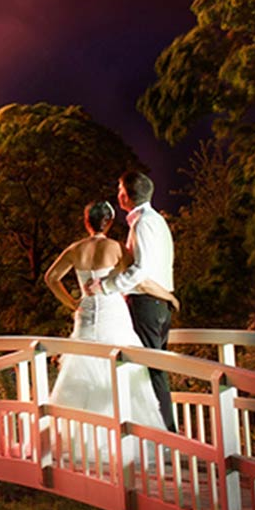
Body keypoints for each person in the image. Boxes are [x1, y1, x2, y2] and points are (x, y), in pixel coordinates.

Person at [48, 200, 176, 467]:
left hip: (85, 315)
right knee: (125, 371)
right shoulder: (116, 248)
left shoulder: (75, 250)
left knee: (81, 371)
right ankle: (123, 441)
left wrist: (71, 303)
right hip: (113, 315)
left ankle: (81, 443)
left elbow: (51, 277)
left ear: (87, 221)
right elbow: (139, 280)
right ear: (109, 222)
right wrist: (168, 296)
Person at [90, 171, 181, 430]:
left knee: (151, 372)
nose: (118, 194)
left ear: (126, 195)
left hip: (147, 304)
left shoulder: (144, 224)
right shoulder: (153, 221)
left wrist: (106, 286)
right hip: (156, 304)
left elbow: (140, 270)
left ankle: (167, 435)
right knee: (149, 369)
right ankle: (159, 432)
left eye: (120, 189)